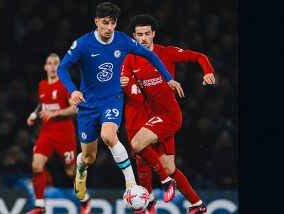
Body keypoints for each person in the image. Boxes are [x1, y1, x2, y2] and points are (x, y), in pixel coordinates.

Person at [57, 2, 183, 209]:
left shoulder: (123, 41)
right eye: (105, 23)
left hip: (112, 99)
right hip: (88, 106)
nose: (109, 27)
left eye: (113, 23)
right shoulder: (82, 44)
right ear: (96, 21)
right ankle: (81, 171)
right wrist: (73, 91)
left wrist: (168, 78)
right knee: (89, 157)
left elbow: (150, 55)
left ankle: (130, 184)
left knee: (109, 135)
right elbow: (63, 68)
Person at [121, 14, 215, 214]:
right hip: (151, 119)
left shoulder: (167, 53)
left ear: (154, 33)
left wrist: (208, 71)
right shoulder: (130, 59)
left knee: (137, 146)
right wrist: (122, 85)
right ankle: (198, 205)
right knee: (169, 167)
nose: (144, 38)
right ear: (134, 37)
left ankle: (162, 185)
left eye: (147, 33)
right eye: (139, 35)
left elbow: (199, 56)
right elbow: (126, 85)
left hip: (169, 115)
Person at [25, 54, 91, 214]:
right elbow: (43, 102)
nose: (53, 66)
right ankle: (39, 205)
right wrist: (34, 114)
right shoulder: (42, 84)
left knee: (70, 171)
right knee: (36, 165)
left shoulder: (65, 85)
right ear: (45, 67)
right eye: (50, 63)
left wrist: (55, 113)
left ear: (60, 67)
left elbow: (75, 108)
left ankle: (85, 199)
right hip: (46, 133)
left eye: (56, 63)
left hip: (64, 134)